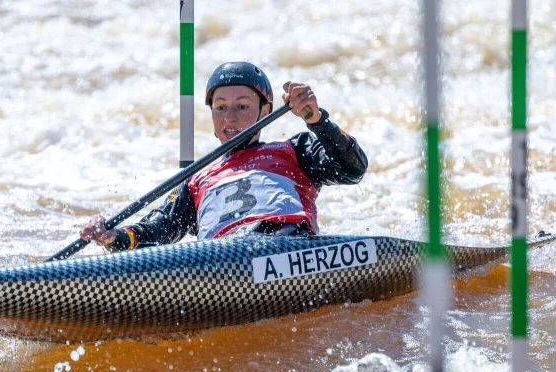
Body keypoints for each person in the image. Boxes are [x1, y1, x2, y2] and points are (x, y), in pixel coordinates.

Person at [80, 61, 368, 251]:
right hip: (220, 260)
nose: (229, 118)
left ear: (265, 112)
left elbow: (353, 169)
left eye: (242, 107)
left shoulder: (295, 150)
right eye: (220, 108)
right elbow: (157, 231)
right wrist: (114, 237)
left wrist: (317, 120)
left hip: (288, 246)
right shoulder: (194, 179)